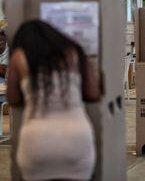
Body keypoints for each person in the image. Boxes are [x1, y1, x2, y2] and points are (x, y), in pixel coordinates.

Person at [7, 20, 99, 180]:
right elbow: (93, 93)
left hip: (36, 142)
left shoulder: (19, 57)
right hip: (76, 138)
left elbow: (13, 99)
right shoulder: (74, 52)